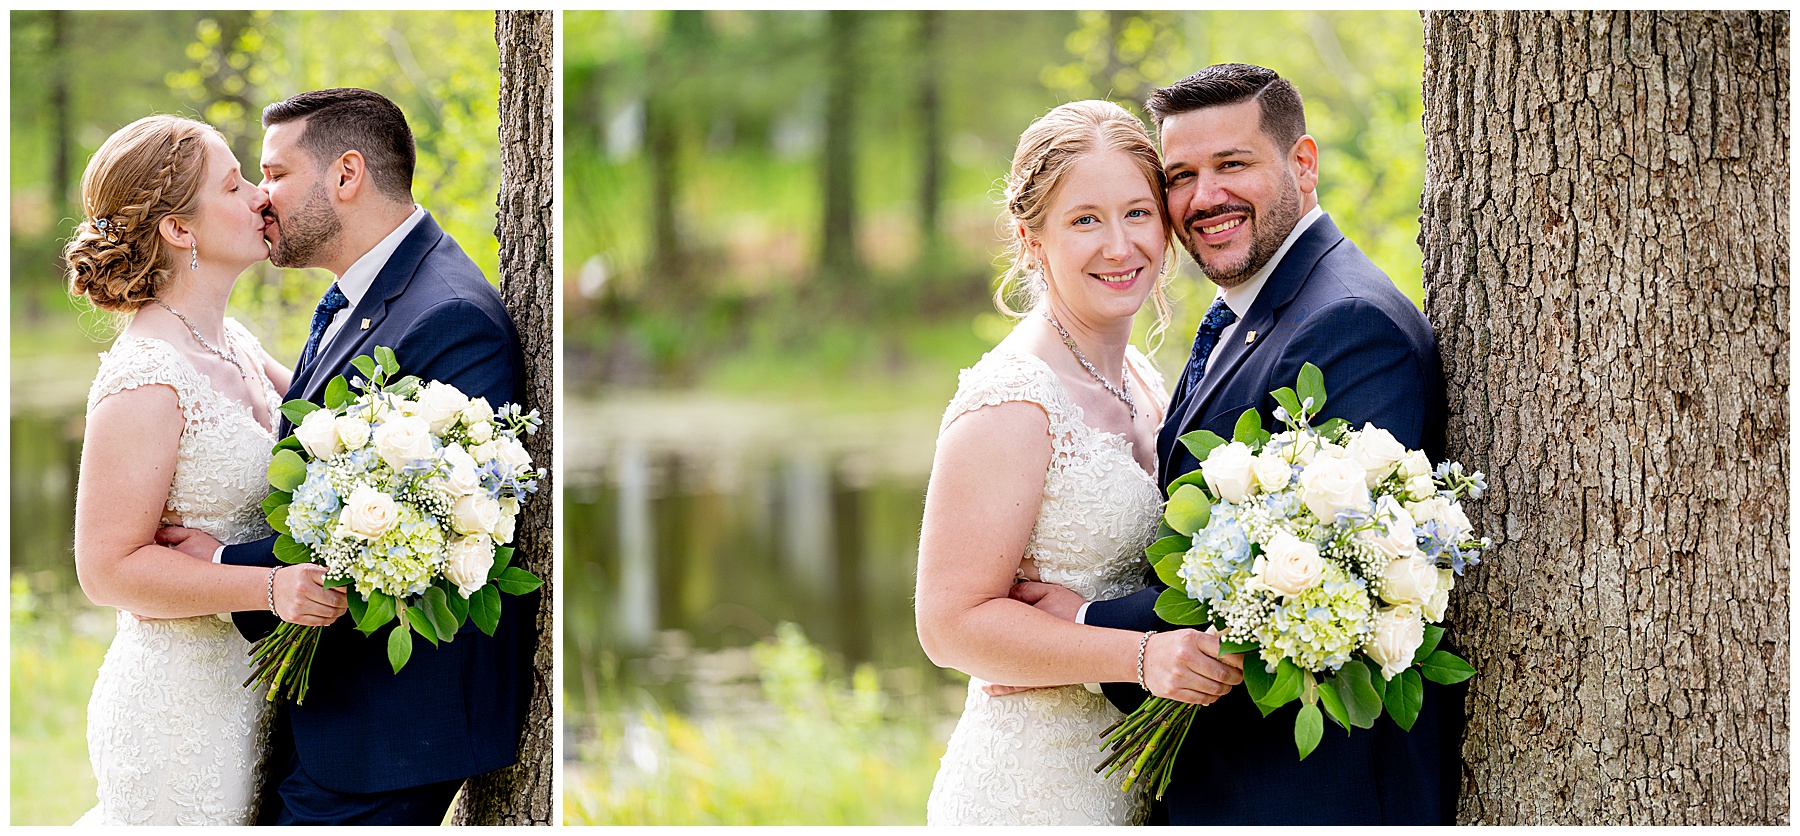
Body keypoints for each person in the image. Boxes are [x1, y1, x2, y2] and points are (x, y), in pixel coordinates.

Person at [1013, 63, 1455, 825]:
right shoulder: (1250, 311)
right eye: (1181, 175)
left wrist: (1083, 626)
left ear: (1303, 164)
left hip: (1305, 793)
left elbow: (1304, 595)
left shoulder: (1348, 325)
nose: (1204, 198)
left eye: (1233, 165)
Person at [157, 88, 535, 825]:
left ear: (347, 174)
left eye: (275, 174)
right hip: (332, 715)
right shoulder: (367, 289)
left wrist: (223, 566)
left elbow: (414, 537)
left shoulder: (450, 316)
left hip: (388, 736)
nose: (262, 199)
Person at [915, 99, 1246, 826]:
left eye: (1137, 213)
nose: (1120, 246)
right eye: (1085, 220)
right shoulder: (1013, 401)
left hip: (1129, 780)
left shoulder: (1142, 379)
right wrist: (1139, 657)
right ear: (1033, 240)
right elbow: (948, 625)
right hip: (1032, 791)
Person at [68, 114, 349, 825]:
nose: (260, 195)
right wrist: (270, 586)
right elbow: (105, 570)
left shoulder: (236, 345)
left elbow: (340, 442)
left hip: (252, 701)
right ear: (179, 231)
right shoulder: (147, 377)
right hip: (178, 718)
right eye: (234, 184)